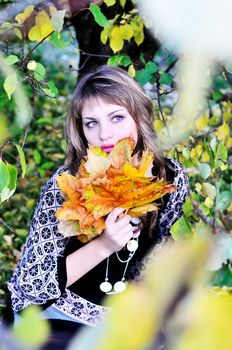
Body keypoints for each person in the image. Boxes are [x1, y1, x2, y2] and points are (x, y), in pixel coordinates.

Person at [7, 65, 189, 349]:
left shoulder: (168, 179)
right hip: (59, 316)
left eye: (116, 118)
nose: (105, 134)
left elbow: (158, 257)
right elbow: (33, 286)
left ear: (139, 117)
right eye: (91, 123)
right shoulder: (65, 183)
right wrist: (105, 244)